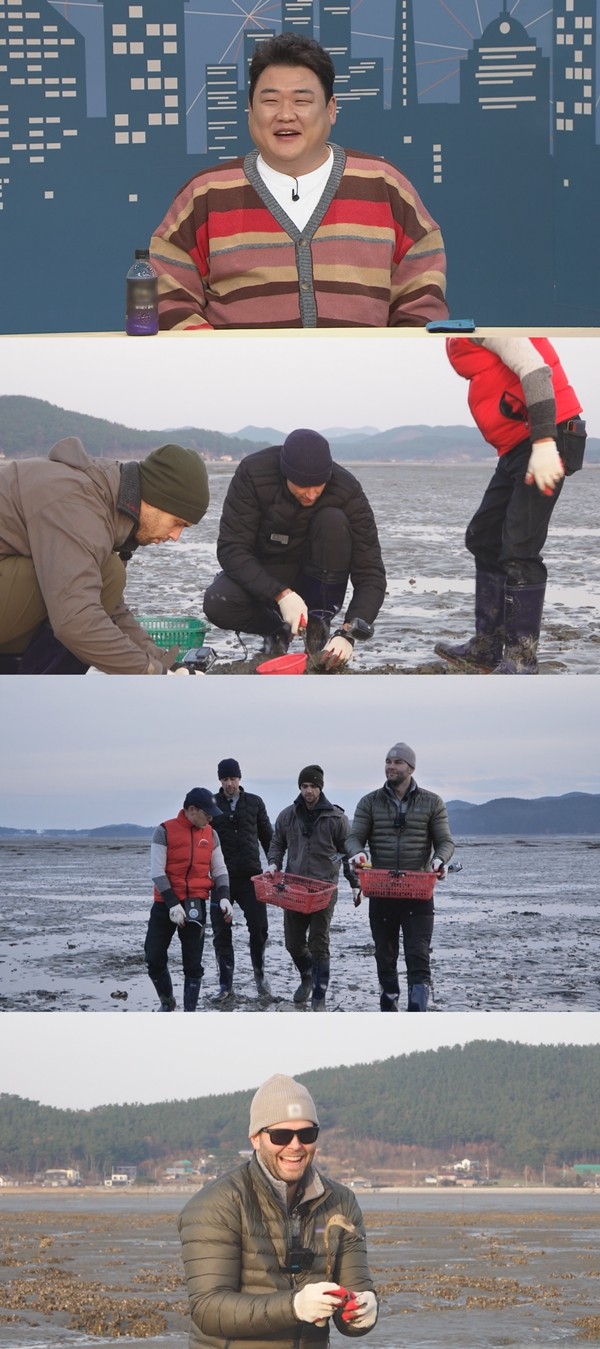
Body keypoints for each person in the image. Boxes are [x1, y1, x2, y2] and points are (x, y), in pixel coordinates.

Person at [150, 31, 447, 330]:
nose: (285, 115)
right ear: (250, 111)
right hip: (238, 376)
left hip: (365, 376)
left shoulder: (385, 186)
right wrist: (220, 366)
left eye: (301, 100)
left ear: (331, 109)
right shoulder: (205, 194)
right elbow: (169, 296)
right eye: (270, 101)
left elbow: (421, 299)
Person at [178, 1073, 378, 1348]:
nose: (295, 1145)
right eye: (281, 1135)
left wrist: (363, 1311)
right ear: (255, 1139)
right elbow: (208, 1310)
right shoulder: (218, 1204)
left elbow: (354, 1294)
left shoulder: (341, 1202)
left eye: (307, 1134)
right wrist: (294, 1306)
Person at [435, 336, 586, 674]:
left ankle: (520, 659)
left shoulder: (493, 322)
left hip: (547, 437)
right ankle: (487, 646)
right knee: (483, 537)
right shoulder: (463, 331)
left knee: (520, 549)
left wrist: (545, 442)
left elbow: (534, 369)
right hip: (519, 445)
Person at [0, 438, 209, 674]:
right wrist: (151, 672)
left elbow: (111, 609)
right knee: (105, 577)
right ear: (153, 500)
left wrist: (167, 665)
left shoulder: (105, 500)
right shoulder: (78, 504)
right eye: (177, 522)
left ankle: (27, 681)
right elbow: (76, 620)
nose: (175, 536)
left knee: (103, 580)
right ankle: (32, 692)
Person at [203, 429, 386, 667]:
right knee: (218, 602)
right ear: (285, 473)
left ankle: (318, 628)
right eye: (302, 486)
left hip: (319, 576)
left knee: (333, 520)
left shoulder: (347, 490)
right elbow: (231, 548)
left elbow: (371, 573)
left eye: (318, 486)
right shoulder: (253, 474)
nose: (310, 494)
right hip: (268, 574)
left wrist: (349, 632)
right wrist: (279, 594)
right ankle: (277, 630)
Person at [346, 743, 454, 1013]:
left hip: (418, 893)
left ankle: (417, 1012)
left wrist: (440, 860)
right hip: (381, 891)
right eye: (387, 761)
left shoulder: (432, 802)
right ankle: (389, 1010)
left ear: (411, 768)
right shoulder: (369, 802)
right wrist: (357, 854)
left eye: (397, 762)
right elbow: (353, 837)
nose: (391, 766)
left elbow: (445, 841)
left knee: (418, 956)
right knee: (385, 956)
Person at [267, 766, 359, 1011]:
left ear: (321, 788)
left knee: (319, 943)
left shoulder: (336, 818)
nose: (308, 791)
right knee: (293, 943)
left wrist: (355, 884)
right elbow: (277, 843)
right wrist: (273, 863)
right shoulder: (287, 816)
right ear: (300, 787)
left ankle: (319, 995)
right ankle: (307, 975)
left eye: (313, 786)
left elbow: (347, 852)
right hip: (294, 889)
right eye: (304, 786)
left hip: (324, 890)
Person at [145, 788, 233, 1012]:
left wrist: (223, 897)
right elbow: (157, 871)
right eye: (207, 814)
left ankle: (189, 1013)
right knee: (154, 957)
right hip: (165, 904)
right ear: (191, 810)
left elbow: (220, 869)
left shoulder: (211, 834)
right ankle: (167, 1001)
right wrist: (173, 903)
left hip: (195, 903)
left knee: (193, 964)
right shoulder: (164, 831)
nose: (210, 818)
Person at [210, 757, 274, 1002]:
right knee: (220, 932)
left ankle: (260, 977)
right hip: (221, 879)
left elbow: (268, 837)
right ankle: (226, 985)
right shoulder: (212, 804)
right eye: (225, 779)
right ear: (220, 780)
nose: (229, 784)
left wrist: (274, 864)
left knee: (259, 928)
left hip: (252, 877)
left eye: (233, 778)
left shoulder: (255, 803)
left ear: (240, 778)